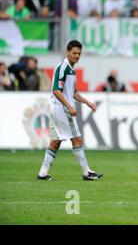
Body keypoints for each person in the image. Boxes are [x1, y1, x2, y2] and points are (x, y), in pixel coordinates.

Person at [36, 40, 103, 181]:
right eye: (74, 53)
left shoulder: (71, 70)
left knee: (56, 141)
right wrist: (69, 106)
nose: (77, 56)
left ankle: (43, 172)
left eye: (79, 53)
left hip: (59, 108)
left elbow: (73, 93)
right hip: (61, 108)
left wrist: (87, 102)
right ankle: (86, 172)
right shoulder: (63, 68)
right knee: (77, 138)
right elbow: (56, 91)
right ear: (67, 52)